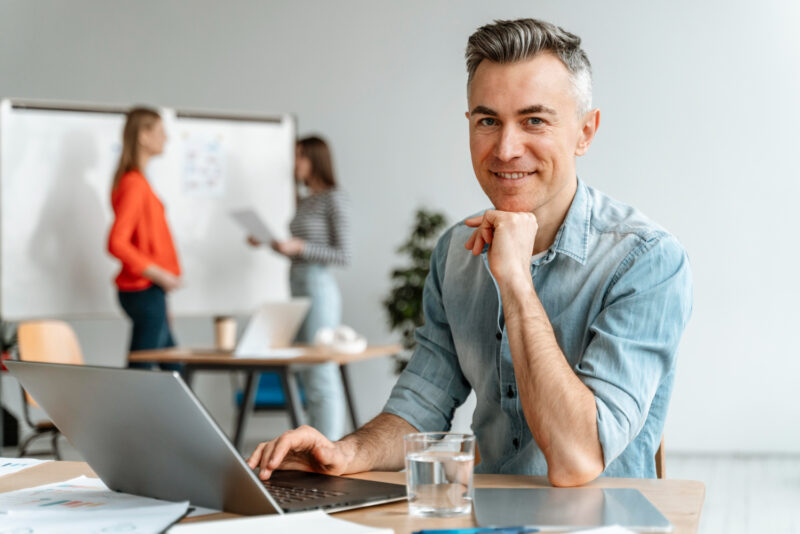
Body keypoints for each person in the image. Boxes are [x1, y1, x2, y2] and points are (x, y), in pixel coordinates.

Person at [247, 18, 692, 487]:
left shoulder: (647, 260)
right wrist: (344, 451)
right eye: (488, 121)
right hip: (491, 516)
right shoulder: (456, 252)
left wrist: (516, 282)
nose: (505, 148)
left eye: (534, 120)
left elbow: (577, 460)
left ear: (585, 132)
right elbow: (421, 404)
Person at [249, 136, 353, 440]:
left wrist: (302, 246)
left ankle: (329, 445)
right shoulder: (305, 200)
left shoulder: (335, 197)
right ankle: (314, 441)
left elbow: (344, 255)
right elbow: (296, 251)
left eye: (299, 156)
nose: (294, 163)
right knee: (307, 372)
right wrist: (271, 244)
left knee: (320, 369)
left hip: (318, 286)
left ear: (314, 158)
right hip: (297, 283)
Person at [108, 107, 182, 360]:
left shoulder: (139, 181)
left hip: (152, 292)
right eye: (161, 131)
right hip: (144, 290)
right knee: (144, 372)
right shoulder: (134, 184)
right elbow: (116, 242)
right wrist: (160, 275)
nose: (166, 138)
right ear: (143, 136)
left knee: (173, 368)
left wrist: (162, 298)